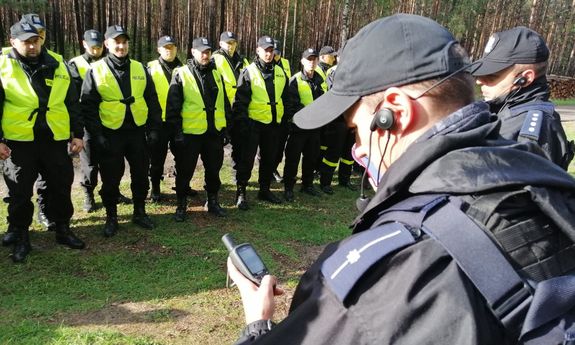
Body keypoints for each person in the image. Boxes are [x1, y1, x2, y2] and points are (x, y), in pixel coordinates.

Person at [227, 14, 575, 344]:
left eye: (357, 130)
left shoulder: (391, 279)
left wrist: (258, 325)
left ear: (394, 112)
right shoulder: (545, 186)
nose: (357, 150)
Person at [0, 22, 86, 263]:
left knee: (61, 186)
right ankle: (22, 236)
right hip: (20, 141)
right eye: (26, 41)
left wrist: (77, 134)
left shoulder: (58, 62)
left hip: (54, 138)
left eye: (35, 40)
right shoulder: (3, 65)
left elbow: (72, 102)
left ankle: (63, 229)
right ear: (13, 41)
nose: (32, 45)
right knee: (20, 192)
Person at [81, 25, 162, 237]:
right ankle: (111, 217)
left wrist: (154, 128)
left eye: (124, 42)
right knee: (110, 177)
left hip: (137, 131)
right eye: (116, 42)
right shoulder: (96, 70)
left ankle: (140, 212)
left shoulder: (140, 68)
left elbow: (152, 99)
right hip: (110, 132)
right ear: (106, 44)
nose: (121, 46)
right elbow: (88, 106)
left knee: (140, 174)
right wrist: (96, 134)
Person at [472, 26, 574, 170]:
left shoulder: (531, 134)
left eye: (491, 76)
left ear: (525, 78)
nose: (479, 81)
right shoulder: (502, 108)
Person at [166, 37, 230, 221]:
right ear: (193, 52)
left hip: (213, 133)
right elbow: (173, 107)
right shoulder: (181, 73)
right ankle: (181, 205)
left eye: (208, 52)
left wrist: (225, 128)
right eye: (201, 52)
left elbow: (224, 104)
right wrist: (177, 132)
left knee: (213, 170)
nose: (205, 55)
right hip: (190, 134)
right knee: (185, 171)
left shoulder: (216, 74)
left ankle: (213, 201)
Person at [232, 35, 288, 210]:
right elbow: (240, 101)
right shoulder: (249, 71)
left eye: (271, 51)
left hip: (273, 125)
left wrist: (284, 121)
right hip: (253, 125)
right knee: (246, 160)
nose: (269, 54)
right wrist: (242, 125)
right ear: (258, 50)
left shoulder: (280, 72)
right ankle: (241, 192)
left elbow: (286, 98)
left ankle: (265, 190)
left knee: (269, 159)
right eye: (265, 50)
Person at [282, 48, 325, 202]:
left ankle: (307, 185)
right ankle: (288, 188)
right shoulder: (295, 80)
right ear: (302, 61)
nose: (312, 62)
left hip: (315, 128)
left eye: (314, 59)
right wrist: (310, 114)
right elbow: (291, 106)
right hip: (298, 128)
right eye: (309, 59)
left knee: (311, 158)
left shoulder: (321, 80)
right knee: (293, 159)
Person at [147, 35, 183, 202]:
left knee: (183, 157)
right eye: (166, 48)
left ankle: (183, 186)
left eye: (172, 47)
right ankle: (155, 189)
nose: (169, 50)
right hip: (157, 122)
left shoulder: (185, 69)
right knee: (156, 159)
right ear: (159, 50)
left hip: (179, 121)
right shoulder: (149, 68)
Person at [213, 31, 250, 178]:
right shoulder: (215, 59)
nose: (231, 46)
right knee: (217, 146)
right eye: (228, 43)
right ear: (221, 43)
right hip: (222, 108)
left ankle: (237, 172)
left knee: (240, 143)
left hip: (240, 108)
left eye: (233, 43)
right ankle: (213, 176)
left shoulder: (243, 60)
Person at [270, 39, 292, 183]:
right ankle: (268, 170)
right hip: (266, 112)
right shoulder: (264, 65)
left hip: (282, 111)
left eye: (277, 53)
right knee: (268, 147)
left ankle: (274, 167)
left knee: (279, 145)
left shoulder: (285, 64)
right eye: (273, 53)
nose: (275, 56)